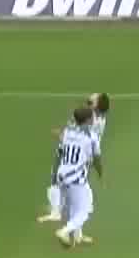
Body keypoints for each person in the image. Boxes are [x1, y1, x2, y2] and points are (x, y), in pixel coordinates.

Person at [41, 93, 110, 223]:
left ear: (96, 105)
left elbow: (76, 130)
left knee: (58, 177)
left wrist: (61, 134)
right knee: (73, 183)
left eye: (95, 98)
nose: (92, 96)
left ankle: (58, 211)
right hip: (81, 152)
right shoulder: (97, 116)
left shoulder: (91, 118)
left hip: (74, 151)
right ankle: (68, 217)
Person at [52, 105, 103, 249]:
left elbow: (60, 149)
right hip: (75, 178)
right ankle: (64, 231)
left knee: (74, 206)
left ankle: (77, 236)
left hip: (62, 174)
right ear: (88, 120)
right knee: (85, 210)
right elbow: (97, 158)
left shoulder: (67, 132)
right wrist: (100, 173)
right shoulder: (91, 136)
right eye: (92, 117)